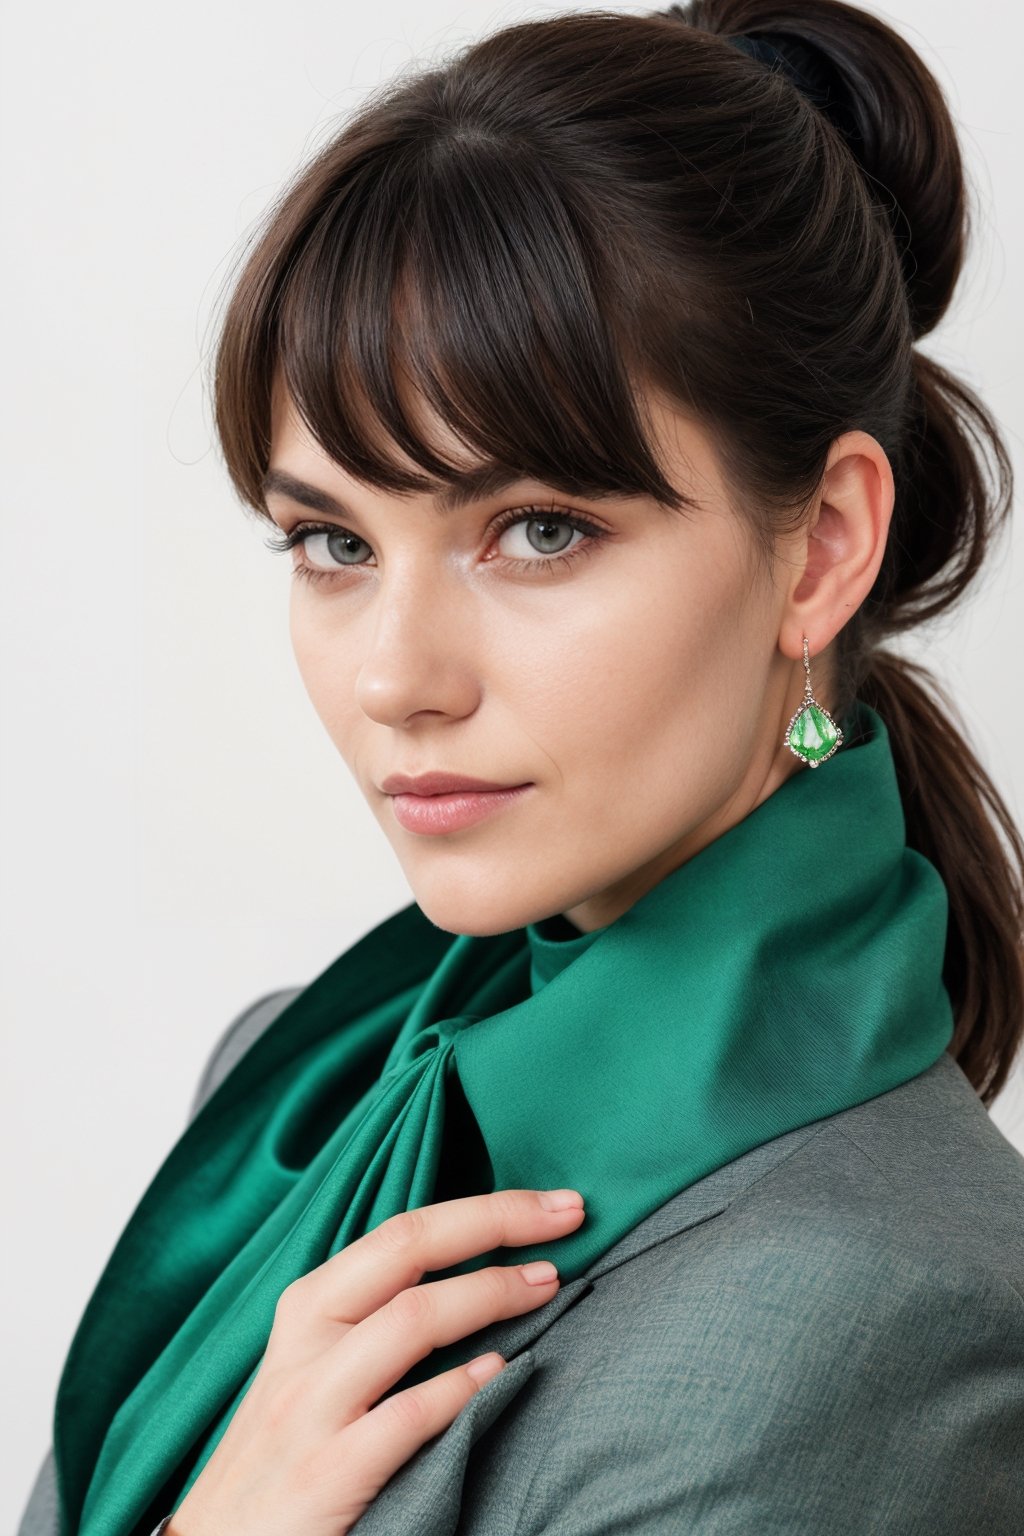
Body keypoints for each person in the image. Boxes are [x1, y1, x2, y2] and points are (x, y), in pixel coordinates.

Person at [18, 2, 1024, 1533]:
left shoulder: (860, 1326)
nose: (393, 679)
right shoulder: (299, 1090)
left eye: (538, 530)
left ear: (822, 548)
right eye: (333, 543)